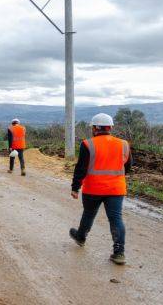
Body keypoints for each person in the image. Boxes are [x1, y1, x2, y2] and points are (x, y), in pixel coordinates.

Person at [69, 113, 133, 265]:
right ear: (110, 127)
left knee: (89, 214)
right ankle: (119, 253)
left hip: (93, 189)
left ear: (94, 128)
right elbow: (128, 167)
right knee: (116, 219)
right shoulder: (123, 144)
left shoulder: (88, 144)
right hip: (116, 189)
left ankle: (80, 237)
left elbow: (81, 168)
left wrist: (75, 187)